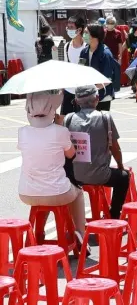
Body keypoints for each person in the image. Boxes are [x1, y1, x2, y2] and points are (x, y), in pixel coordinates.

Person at [18, 91, 87, 248]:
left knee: (45, 195)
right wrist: (59, 126)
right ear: (52, 110)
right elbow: (71, 154)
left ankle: (39, 234)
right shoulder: (60, 131)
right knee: (77, 192)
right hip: (58, 193)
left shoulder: (22, 132)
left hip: (27, 193)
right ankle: (80, 235)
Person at [66, 86, 130, 219]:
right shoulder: (105, 117)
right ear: (97, 98)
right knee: (124, 177)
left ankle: (71, 218)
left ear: (77, 101)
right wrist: (120, 165)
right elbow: (115, 148)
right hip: (101, 175)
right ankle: (114, 215)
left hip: (74, 177)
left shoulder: (69, 119)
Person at [80, 23, 118, 111]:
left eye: (86, 33)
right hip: (88, 96)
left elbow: (107, 79)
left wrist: (91, 90)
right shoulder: (84, 52)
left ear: (94, 35)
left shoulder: (105, 54)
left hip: (103, 96)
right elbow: (81, 69)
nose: (83, 35)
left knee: (100, 122)